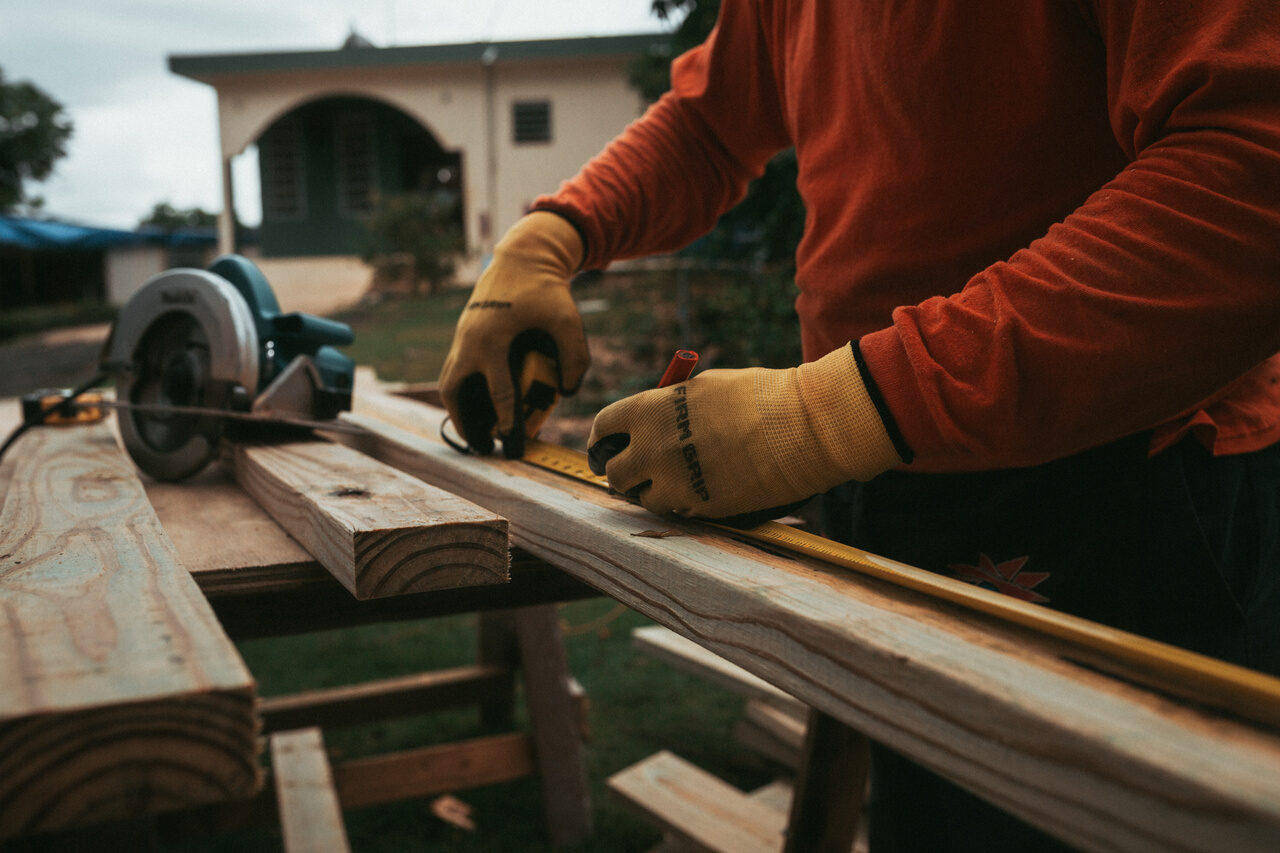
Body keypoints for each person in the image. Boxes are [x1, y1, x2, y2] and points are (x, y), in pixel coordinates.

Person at [440, 1, 1280, 848]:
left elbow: (1254, 166)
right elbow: (708, 126)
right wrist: (555, 233)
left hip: (1124, 487)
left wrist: (837, 410)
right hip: (881, 475)